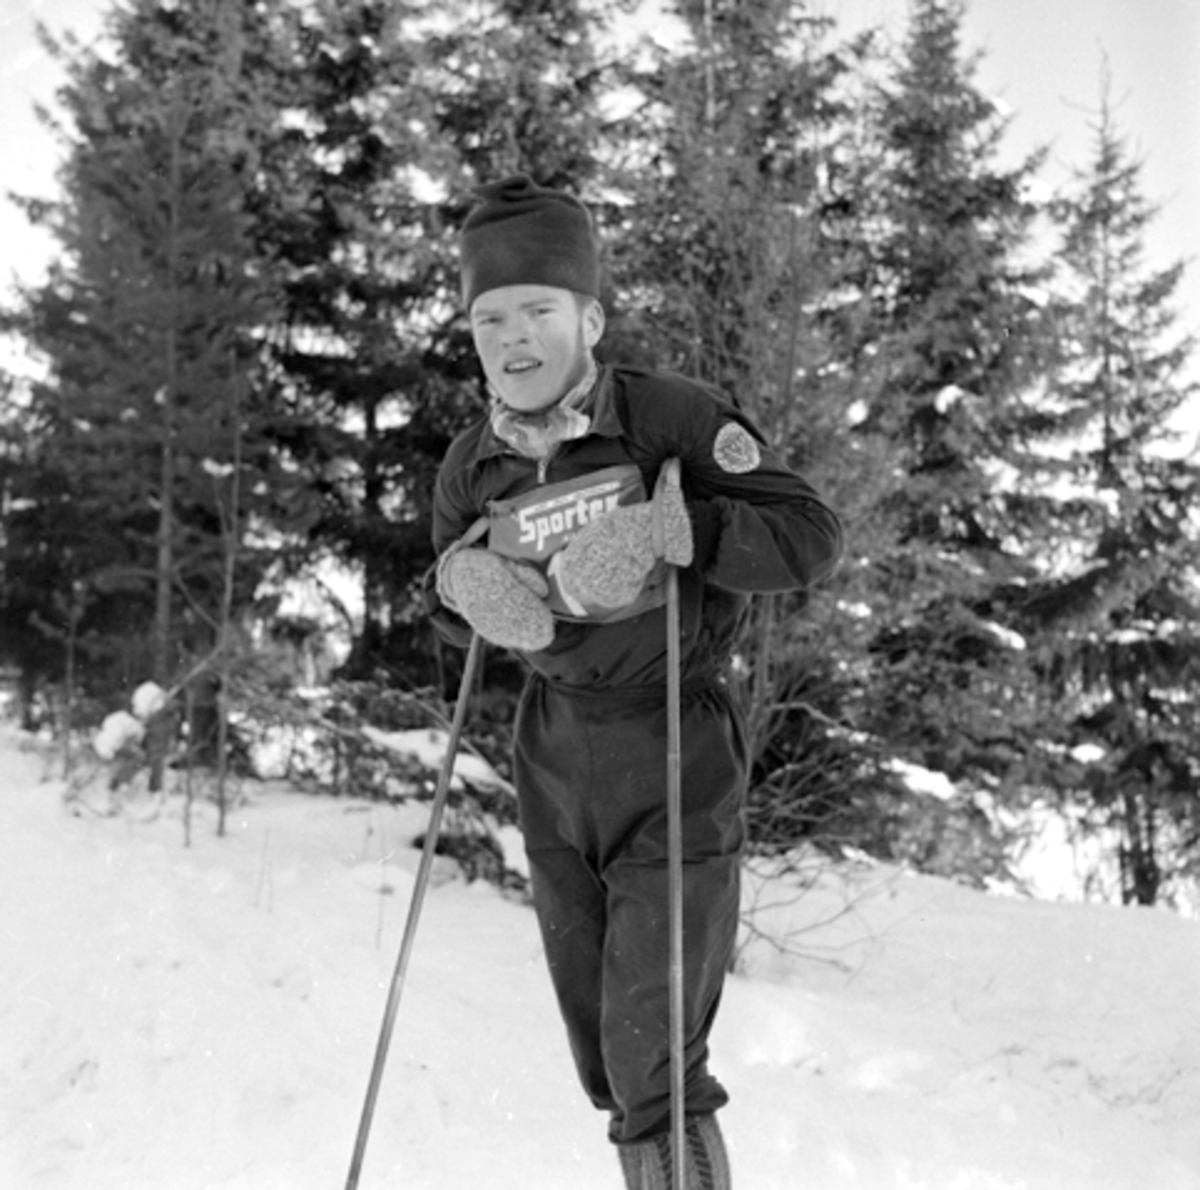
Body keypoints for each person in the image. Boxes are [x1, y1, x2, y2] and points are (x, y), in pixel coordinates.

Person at [424, 174, 843, 1190]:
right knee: (602, 1054)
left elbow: (808, 534)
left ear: (589, 316)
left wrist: (679, 530)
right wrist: (462, 583)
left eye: (537, 310)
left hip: (672, 741)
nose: (513, 338)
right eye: (490, 319)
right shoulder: (474, 462)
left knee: (650, 1051)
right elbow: (444, 591)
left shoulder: (668, 417)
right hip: (553, 748)